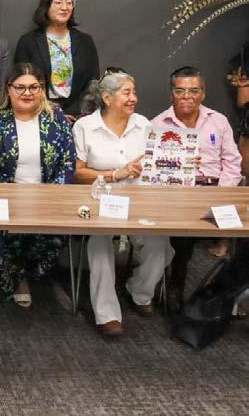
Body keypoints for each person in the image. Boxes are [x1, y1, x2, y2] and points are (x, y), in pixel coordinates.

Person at [72, 68, 173, 337]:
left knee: (159, 246)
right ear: (107, 98)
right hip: (100, 201)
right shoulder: (85, 126)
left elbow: (156, 164)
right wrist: (116, 174)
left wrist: (179, 161)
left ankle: (139, 291)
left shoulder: (144, 124)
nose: (133, 98)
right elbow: (78, 173)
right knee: (99, 245)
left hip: (141, 201)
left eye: (134, 92)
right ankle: (107, 313)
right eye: (127, 93)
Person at [0, 63, 75, 307]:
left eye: (34, 87)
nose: (27, 93)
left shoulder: (57, 119)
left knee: (54, 238)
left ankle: (28, 273)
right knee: (11, 235)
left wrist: (51, 196)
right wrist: (10, 198)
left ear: (42, 89)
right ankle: (17, 277)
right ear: (8, 89)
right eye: (20, 87)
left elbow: (68, 161)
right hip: (5, 199)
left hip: (48, 199)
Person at [151, 66, 242, 312]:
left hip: (217, 191)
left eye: (193, 91)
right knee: (184, 234)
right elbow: (154, 170)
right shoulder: (158, 124)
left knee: (243, 234)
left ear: (203, 93)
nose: (187, 96)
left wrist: (221, 193)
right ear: (171, 93)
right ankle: (176, 285)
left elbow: (232, 162)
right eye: (180, 91)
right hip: (178, 194)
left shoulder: (218, 121)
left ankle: (231, 294)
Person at [15, 0, 99, 121]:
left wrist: (74, 113)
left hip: (78, 117)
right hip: (39, 116)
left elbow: (92, 83)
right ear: (46, 6)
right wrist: (52, 113)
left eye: (69, 2)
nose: (65, 7)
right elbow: (21, 82)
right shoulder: (28, 42)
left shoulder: (85, 41)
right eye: (58, 2)